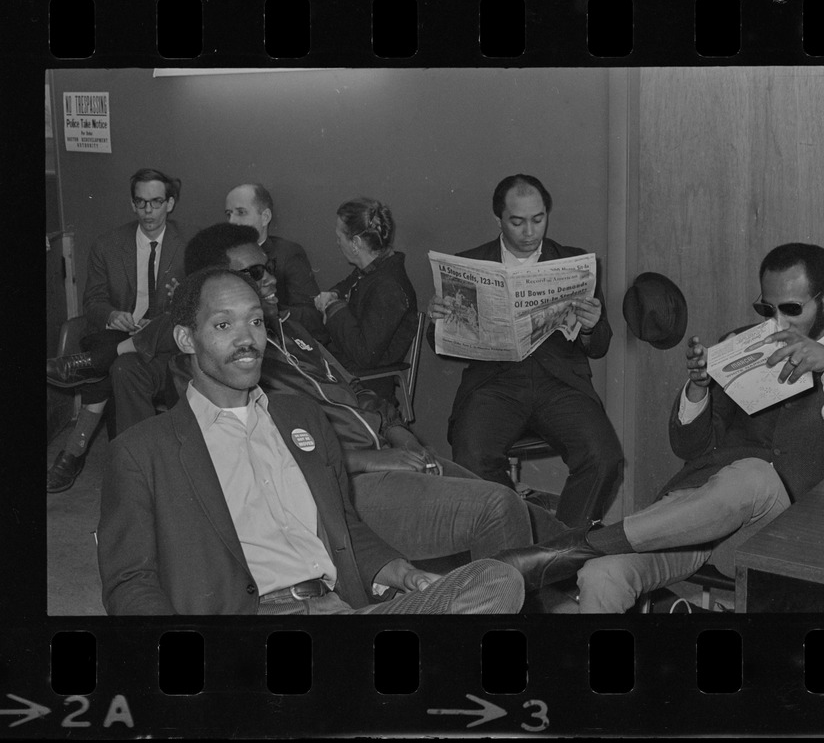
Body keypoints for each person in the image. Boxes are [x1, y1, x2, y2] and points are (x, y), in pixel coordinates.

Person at [111, 223, 563, 559]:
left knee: (543, 524)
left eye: (266, 267)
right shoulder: (224, 366)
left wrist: (398, 433)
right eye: (251, 272)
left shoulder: (290, 331)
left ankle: (604, 570)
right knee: (500, 510)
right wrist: (371, 459)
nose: (268, 278)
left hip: (389, 452)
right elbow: (262, 459)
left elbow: (355, 391)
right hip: (344, 483)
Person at [96, 267, 525, 615]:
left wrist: (403, 573)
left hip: (340, 611)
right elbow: (130, 582)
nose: (246, 339)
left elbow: (345, 526)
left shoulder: (301, 417)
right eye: (223, 324)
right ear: (187, 339)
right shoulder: (142, 451)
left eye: (256, 321)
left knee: (497, 580)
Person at [493, 243, 824, 613]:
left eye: (791, 309)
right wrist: (698, 389)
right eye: (767, 308)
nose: (777, 322)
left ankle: (578, 546)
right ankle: (587, 566)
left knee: (755, 476)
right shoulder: (744, 341)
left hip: (778, 534)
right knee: (601, 575)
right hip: (701, 517)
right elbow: (689, 448)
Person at [426, 174, 624, 527]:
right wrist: (439, 321)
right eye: (517, 222)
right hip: (495, 384)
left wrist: (592, 325)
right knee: (471, 457)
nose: (530, 232)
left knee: (604, 458)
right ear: (498, 220)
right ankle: (517, 537)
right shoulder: (470, 264)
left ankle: (560, 548)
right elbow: (444, 348)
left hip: (559, 383)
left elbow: (601, 345)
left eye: (538, 219)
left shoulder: (574, 262)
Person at [45, 168, 193, 493]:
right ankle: (129, 464)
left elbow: (191, 309)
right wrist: (113, 315)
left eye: (156, 202)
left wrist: (153, 326)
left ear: (170, 203)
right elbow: (93, 301)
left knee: (109, 362)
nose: (148, 212)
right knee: (118, 358)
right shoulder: (108, 245)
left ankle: (75, 448)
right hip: (116, 335)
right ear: (132, 204)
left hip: (164, 346)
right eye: (141, 203)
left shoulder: (188, 249)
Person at [314, 198, 418, 402]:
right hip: (346, 370)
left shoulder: (388, 286)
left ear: (356, 243)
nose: (337, 242)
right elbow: (345, 286)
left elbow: (364, 354)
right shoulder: (372, 269)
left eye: (339, 237)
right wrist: (333, 295)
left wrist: (334, 306)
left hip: (365, 386)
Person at [225, 182, 324, 334]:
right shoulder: (222, 256)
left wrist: (269, 309)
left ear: (265, 217)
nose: (232, 222)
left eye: (241, 213)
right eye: (228, 214)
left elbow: (312, 317)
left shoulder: (287, 254)